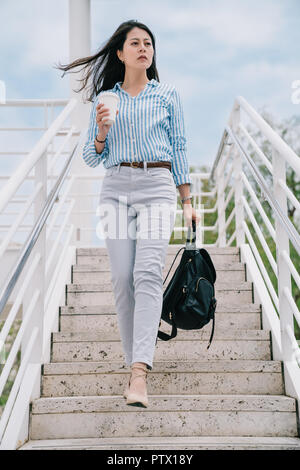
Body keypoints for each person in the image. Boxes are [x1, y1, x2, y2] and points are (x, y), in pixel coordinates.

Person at [55, 19, 200, 408]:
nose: (143, 48)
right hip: (116, 189)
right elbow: (91, 155)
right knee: (122, 278)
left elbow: (180, 147)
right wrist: (101, 132)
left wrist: (188, 201)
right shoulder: (106, 98)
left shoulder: (167, 95)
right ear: (120, 53)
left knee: (147, 272)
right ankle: (132, 357)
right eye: (134, 43)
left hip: (156, 187)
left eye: (148, 43)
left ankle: (139, 372)